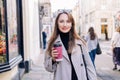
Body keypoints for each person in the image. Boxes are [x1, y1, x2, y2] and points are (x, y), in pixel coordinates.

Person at [44, 11, 97, 80]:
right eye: (61, 21)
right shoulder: (51, 43)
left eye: (68, 21)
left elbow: (89, 66)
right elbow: (48, 68)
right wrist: (53, 60)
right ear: (57, 24)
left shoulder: (80, 42)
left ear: (72, 24)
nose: (65, 25)